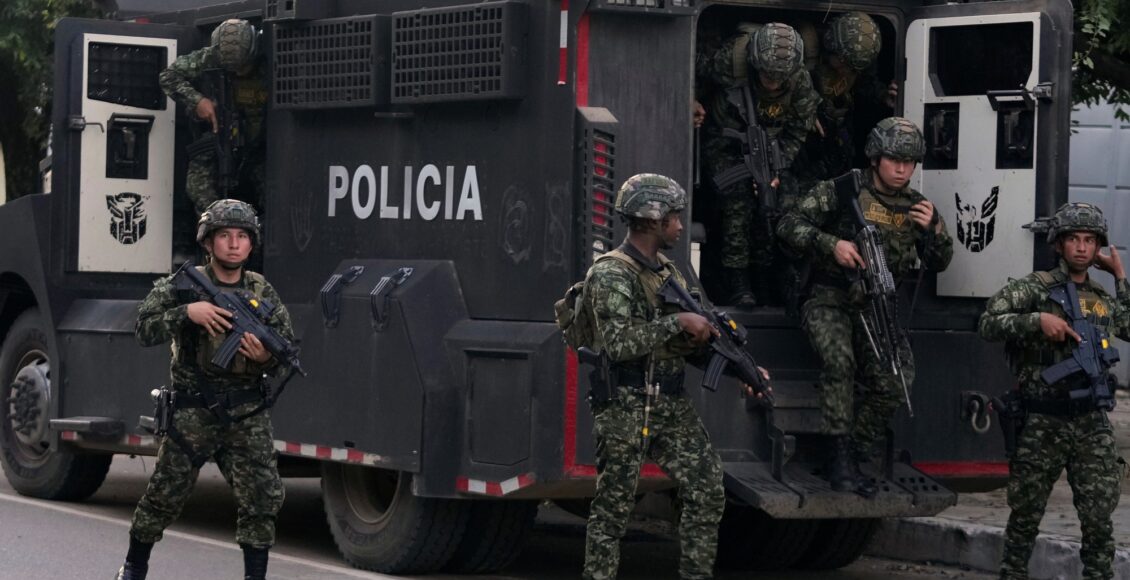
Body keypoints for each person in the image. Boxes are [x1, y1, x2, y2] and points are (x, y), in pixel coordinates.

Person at [581, 173, 766, 580]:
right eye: (675, 217)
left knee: (706, 488)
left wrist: (739, 369)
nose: (681, 226)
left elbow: (690, 346)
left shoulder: (668, 273)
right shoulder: (612, 273)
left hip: (670, 404)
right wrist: (677, 322)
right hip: (624, 406)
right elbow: (618, 343)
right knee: (613, 511)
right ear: (653, 218)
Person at [114, 200, 293, 580]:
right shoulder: (185, 284)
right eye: (224, 235)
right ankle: (133, 569)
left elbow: (284, 352)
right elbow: (143, 329)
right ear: (208, 242)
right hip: (193, 411)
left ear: (252, 243)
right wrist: (187, 314)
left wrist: (264, 357)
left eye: (242, 236)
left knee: (262, 499)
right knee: (164, 494)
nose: (234, 243)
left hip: (246, 414)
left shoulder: (262, 290)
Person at [775, 117, 952, 495]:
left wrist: (935, 230)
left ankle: (854, 452)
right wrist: (831, 245)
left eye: (909, 162)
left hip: (877, 306)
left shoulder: (918, 207)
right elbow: (787, 224)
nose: (902, 169)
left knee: (897, 381)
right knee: (839, 362)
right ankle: (838, 458)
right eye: (894, 160)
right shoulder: (843, 189)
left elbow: (939, 263)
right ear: (875, 158)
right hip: (830, 296)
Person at [979, 202, 1128, 580]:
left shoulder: (1101, 297)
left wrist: (1120, 277)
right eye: (1074, 239)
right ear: (1059, 244)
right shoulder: (1035, 287)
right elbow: (988, 322)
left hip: (1091, 422)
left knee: (1098, 521)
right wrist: (1036, 320)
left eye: (1090, 240)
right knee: (1025, 518)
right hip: (1042, 420)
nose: (1082, 247)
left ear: (1098, 247)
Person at [696, 22, 820, 308]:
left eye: (779, 79)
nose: (772, 84)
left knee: (776, 202)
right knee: (738, 200)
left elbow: (797, 130)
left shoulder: (800, 81)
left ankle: (765, 276)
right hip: (724, 141)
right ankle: (737, 280)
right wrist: (692, 98)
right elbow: (694, 69)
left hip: (770, 148)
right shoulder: (731, 61)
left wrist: (775, 171)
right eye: (766, 76)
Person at [159, 19, 268, 215]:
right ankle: (217, 226)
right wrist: (198, 101)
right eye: (232, 69)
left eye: (243, 67)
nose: (237, 73)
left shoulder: (268, 61)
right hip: (223, 136)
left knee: (273, 193)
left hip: (261, 146)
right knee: (198, 187)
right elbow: (169, 76)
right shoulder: (213, 55)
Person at [793, 11, 898, 190]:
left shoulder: (858, 58)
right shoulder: (802, 50)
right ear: (832, 48)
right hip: (802, 136)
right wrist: (802, 108)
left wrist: (883, 96)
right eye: (845, 64)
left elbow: (866, 84)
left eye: (853, 68)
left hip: (838, 132)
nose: (847, 71)